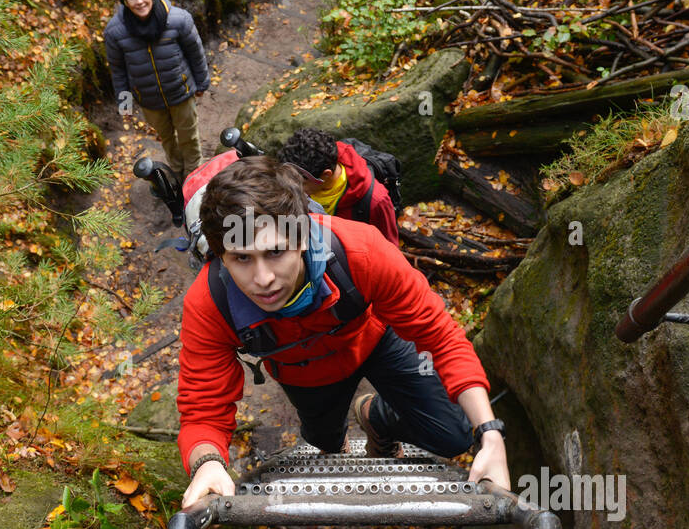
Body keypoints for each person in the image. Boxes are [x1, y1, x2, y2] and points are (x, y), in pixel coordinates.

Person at [176, 155, 510, 508]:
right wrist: (207, 463)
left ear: (303, 237)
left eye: (275, 252)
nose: (263, 279)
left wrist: (489, 434)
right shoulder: (210, 303)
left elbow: (439, 335)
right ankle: (335, 444)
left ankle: (376, 417)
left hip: (375, 341)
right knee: (325, 441)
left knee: (455, 434)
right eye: (242, 258)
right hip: (304, 375)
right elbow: (203, 407)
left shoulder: (361, 252)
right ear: (221, 256)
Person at [103, 0, 210, 182]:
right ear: (124, 1)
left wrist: (202, 83)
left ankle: (195, 176)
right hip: (149, 100)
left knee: (188, 136)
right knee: (167, 138)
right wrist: (125, 103)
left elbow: (195, 53)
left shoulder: (179, 19)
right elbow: (118, 70)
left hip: (181, 92)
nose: (139, 1)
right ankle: (177, 173)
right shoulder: (115, 32)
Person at [278, 127, 400, 245]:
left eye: (301, 182)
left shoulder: (376, 201)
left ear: (326, 175)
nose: (292, 186)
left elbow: (389, 250)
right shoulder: (313, 169)